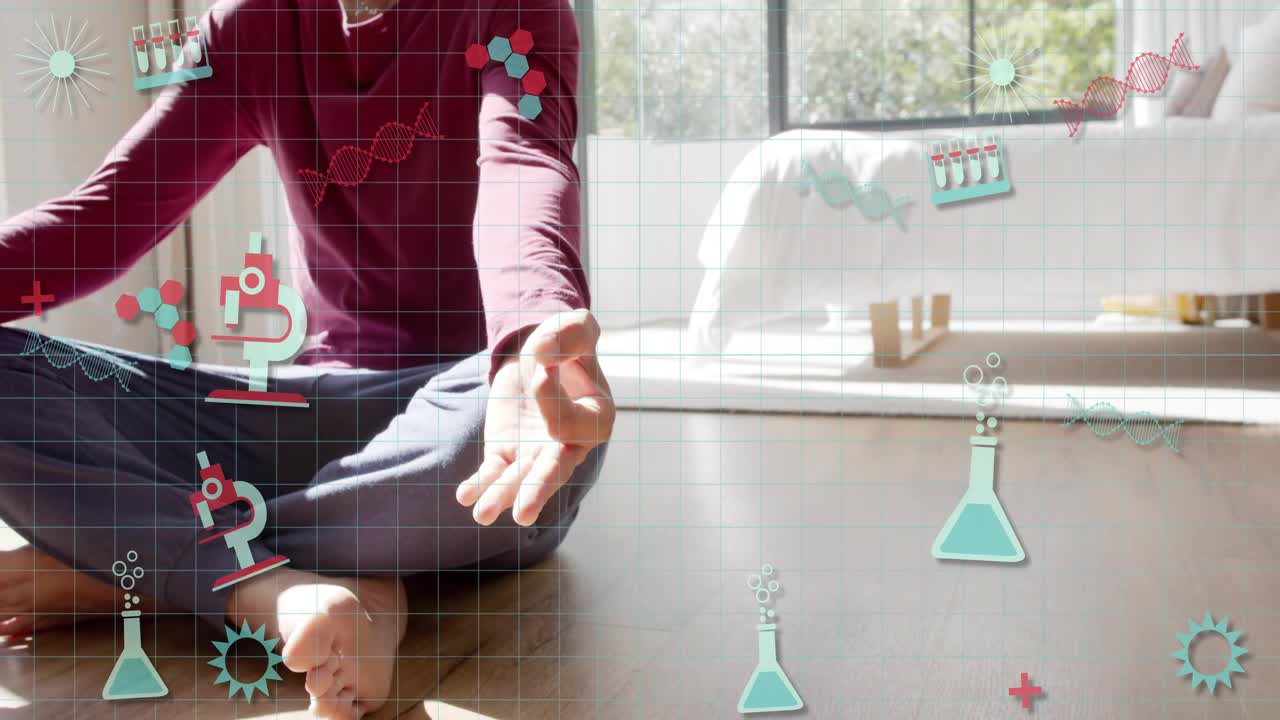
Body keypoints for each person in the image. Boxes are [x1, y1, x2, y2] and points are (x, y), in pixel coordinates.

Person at [0, 0, 613, 717]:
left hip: (466, 408)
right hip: (309, 413)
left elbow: (523, 164)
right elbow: (104, 217)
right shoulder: (249, 26)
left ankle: (145, 566)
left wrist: (523, 349)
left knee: (502, 437)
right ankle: (315, 577)